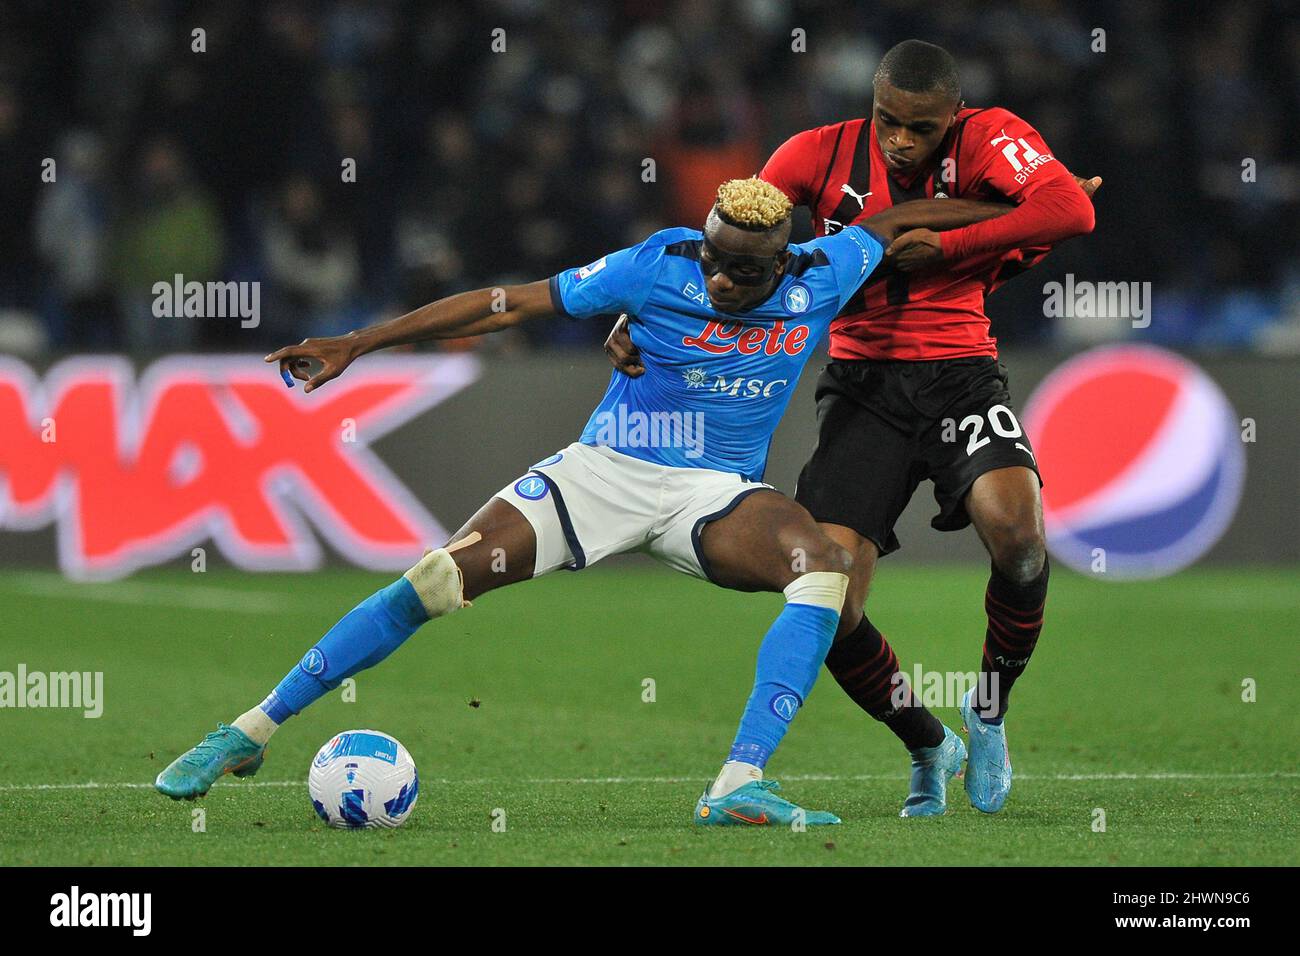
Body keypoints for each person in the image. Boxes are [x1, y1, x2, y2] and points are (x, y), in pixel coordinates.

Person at [155, 177, 1009, 826]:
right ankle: (248, 732)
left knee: (822, 568)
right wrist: (360, 341)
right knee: (435, 580)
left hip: (714, 492)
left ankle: (741, 781)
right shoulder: (658, 264)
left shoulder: (822, 274)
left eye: (739, 272)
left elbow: (897, 222)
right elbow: (508, 304)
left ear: (782, 266)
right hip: (602, 472)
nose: (715, 278)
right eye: (710, 256)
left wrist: (1031, 212)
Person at [604, 40, 1100, 817]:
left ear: (954, 117)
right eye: (888, 121)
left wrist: (955, 241)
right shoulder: (812, 153)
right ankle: (927, 741)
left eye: (921, 128)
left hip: (962, 374)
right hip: (862, 385)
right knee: (828, 593)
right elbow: (733, 241)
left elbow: (1072, 208)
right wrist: (647, 317)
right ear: (870, 103)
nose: (901, 139)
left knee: (1023, 543)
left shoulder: (992, 133)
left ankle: (989, 710)